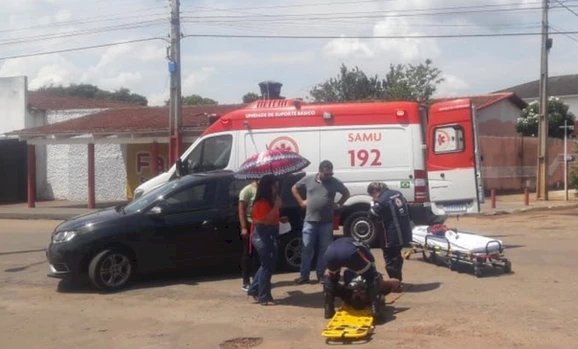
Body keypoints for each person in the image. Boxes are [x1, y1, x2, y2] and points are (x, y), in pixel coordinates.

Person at [291, 160, 350, 284]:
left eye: (330, 174)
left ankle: (321, 274)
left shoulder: (335, 182)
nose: (329, 176)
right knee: (307, 249)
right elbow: (294, 188)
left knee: (324, 249)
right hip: (310, 221)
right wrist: (301, 202)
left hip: (326, 222)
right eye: (326, 174)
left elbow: (346, 193)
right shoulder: (308, 179)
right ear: (320, 171)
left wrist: (339, 204)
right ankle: (304, 275)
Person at [323, 237, 400, 321]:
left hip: (330, 252)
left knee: (330, 276)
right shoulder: (364, 249)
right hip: (346, 253)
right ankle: (376, 310)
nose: (358, 293)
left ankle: (328, 308)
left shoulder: (346, 290)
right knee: (373, 277)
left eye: (357, 295)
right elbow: (374, 275)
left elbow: (331, 276)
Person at [367, 182, 412, 285]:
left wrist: (372, 203)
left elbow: (371, 215)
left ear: (375, 191)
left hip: (391, 233)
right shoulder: (397, 193)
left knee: (390, 258)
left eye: (372, 195)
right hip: (403, 230)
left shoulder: (382, 200)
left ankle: (395, 282)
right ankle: (398, 280)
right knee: (397, 255)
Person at [247, 175, 282, 305]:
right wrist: (276, 207)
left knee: (268, 265)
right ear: (269, 186)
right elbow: (265, 220)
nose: (277, 187)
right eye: (274, 185)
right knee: (267, 265)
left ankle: (255, 289)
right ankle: (263, 295)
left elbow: (271, 219)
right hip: (262, 235)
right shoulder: (261, 202)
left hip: (270, 233)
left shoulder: (269, 201)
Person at [238, 181, 258, 292]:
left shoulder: (266, 188)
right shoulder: (247, 190)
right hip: (251, 224)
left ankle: (256, 279)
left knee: (258, 254)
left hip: (262, 225)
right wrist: (244, 227)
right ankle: (246, 281)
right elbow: (241, 210)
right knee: (248, 253)